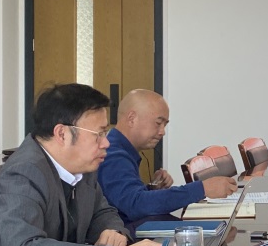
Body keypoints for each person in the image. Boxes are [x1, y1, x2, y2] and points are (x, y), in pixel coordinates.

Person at [0, 83, 162, 246]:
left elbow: (102, 211)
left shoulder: (82, 166)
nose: (106, 143)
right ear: (62, 134)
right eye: (99, 134)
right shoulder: (22, 173)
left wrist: (113, 231)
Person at [98, 89, 237, 226]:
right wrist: (202, 189)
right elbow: (135, 205)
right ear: (131, 119)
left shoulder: (121, 150)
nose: (162, 132)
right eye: (158, 123)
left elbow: (123, 200)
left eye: (165, 125)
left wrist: (152, 189)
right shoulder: (113, 155)